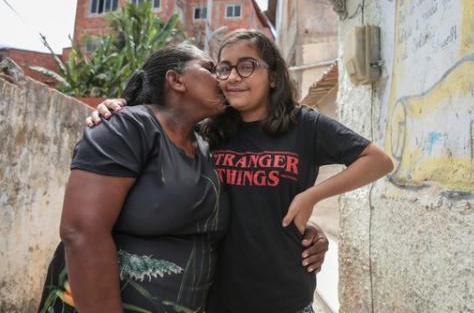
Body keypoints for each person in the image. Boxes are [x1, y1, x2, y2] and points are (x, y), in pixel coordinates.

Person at [91, 29, 394, 313]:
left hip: (286, 297)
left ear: (273, 77)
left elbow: (378, 160)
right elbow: (157, 125)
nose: (233, 77)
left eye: (247, 66)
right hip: (217, 298)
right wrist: (118, 106)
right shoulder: (207, 134)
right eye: (223, 68)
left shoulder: (305, 126)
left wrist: (311, 197)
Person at [39, 42, 328, 313]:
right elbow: (81, 232)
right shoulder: (127, 128)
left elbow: (241, 202)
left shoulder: (207, 143)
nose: (224, 79)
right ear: (176, 80)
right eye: (212, 69)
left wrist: (302, 229)